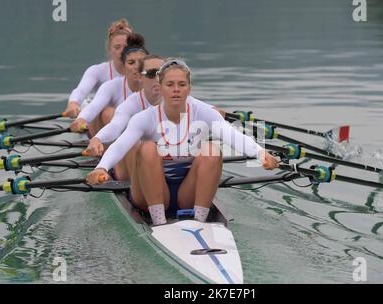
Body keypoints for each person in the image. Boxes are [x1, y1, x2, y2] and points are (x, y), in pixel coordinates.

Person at [86, 59, 279, 226]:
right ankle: (158, 221)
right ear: (160, 87)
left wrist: (261, 154)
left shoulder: (202, 111)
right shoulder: (145, 118)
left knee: (211, 149)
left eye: (181, 84)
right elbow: (121, 144)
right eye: (170, 85)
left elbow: (231, 134)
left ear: (189, 88)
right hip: (149, 193)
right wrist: (102, 168)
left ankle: (200, 221)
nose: (176, 90)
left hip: (187, 193)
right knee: (147, 149)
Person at [69, 33, 148, 137]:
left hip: (135, 131)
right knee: (109, 112)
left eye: (124, 47)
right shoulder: (108, 82)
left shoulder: (157, 84)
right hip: (106, 124)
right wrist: (81, 117)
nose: (137, 67)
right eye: (117, 47)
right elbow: (93, 105)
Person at [65, 19, 133, 118]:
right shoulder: (97, 71)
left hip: (128, 120)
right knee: (108, 112)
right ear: (110, 49)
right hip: (101, 120)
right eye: (117, 47)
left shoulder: (142, 72)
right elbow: (81, 91)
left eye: (126, 47)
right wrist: (73, 103)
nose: (122, 52)